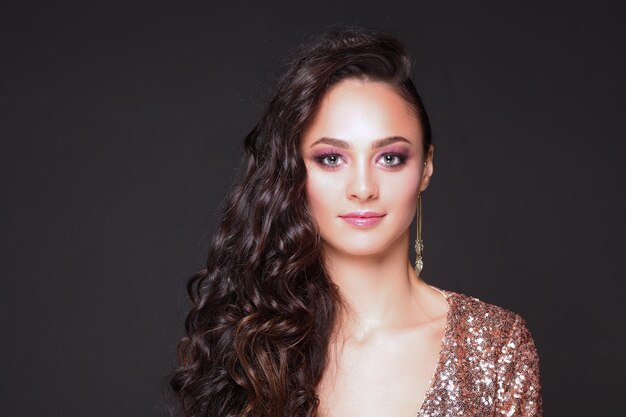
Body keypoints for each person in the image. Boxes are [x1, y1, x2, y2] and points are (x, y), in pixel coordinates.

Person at [169, 25, 543, 417]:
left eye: (390, 158)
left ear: (426, 167)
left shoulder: (495, 345)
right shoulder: (249, 343)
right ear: (293, 170)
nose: (363, 188)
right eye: (331, 158)